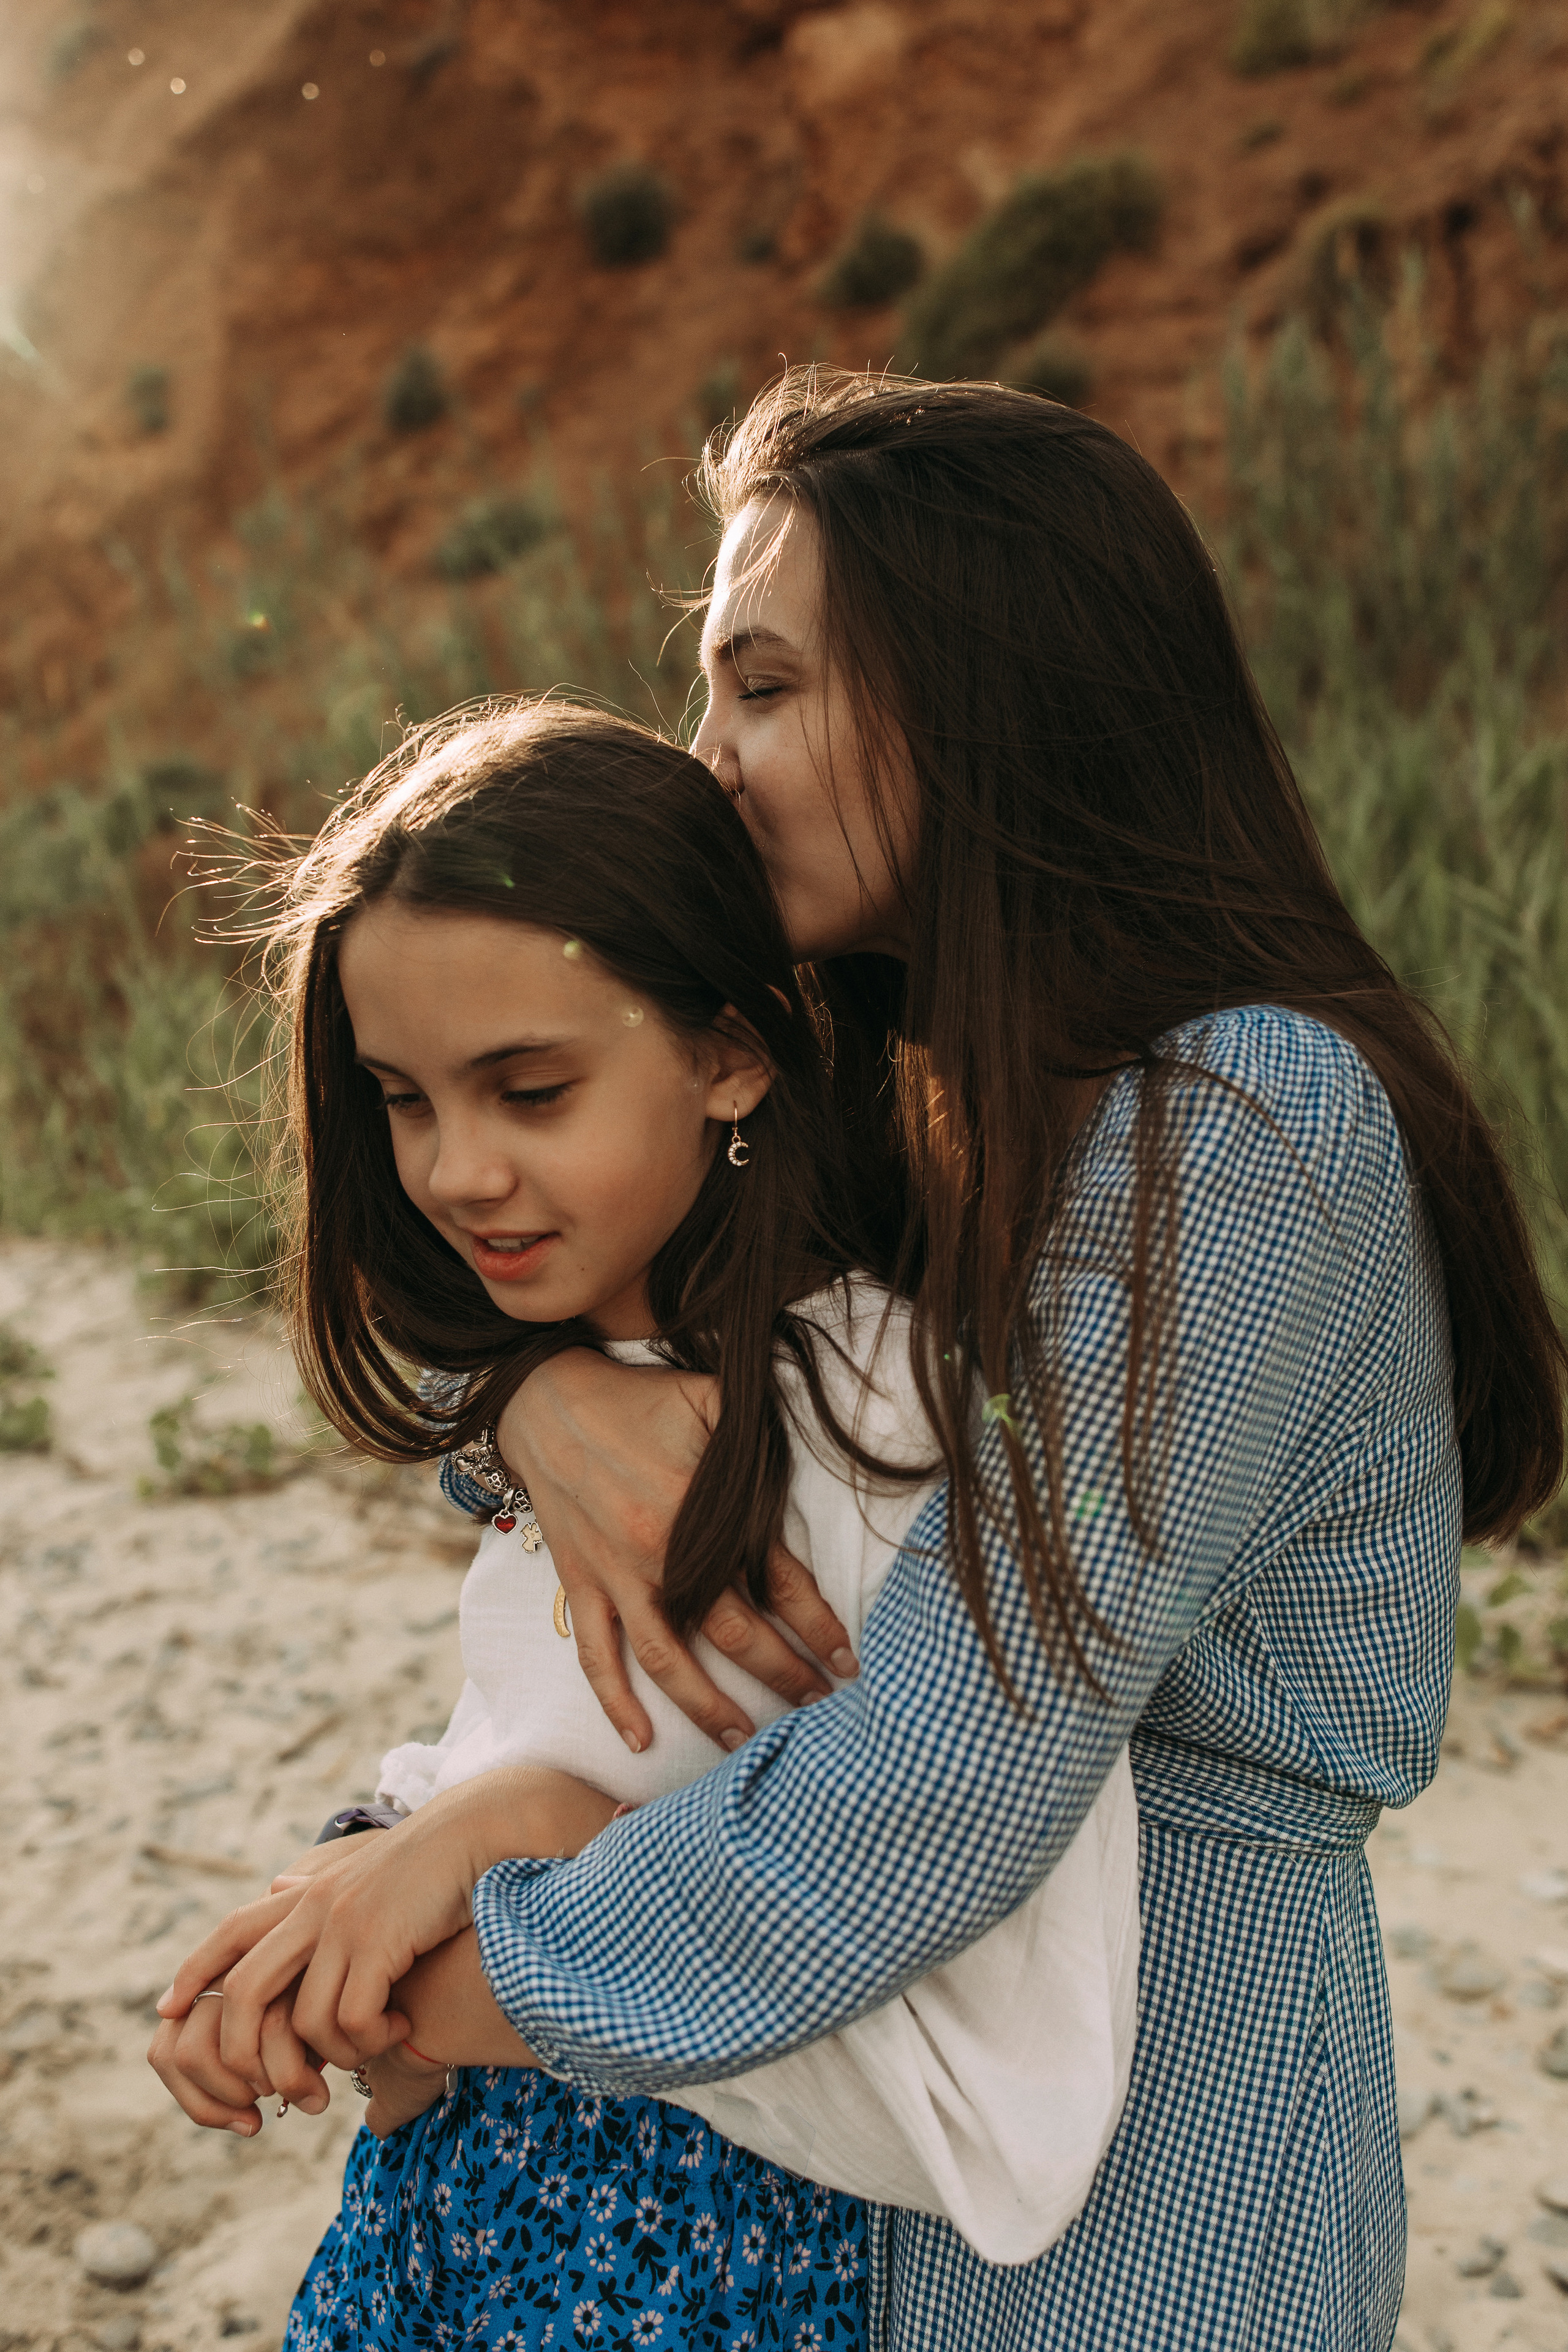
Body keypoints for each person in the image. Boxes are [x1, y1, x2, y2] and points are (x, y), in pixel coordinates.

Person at [148, 701, 1140, 2351]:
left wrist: (493, 1851)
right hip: (450, 2209)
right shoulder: (593, 1385)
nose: (457, 1173)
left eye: (529, 1090)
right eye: (403, 1100)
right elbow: (514, 1753)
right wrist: (319, 1931)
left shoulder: (878, 1420)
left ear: (732, 1051)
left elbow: (914, 1961)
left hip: (695, 2267)